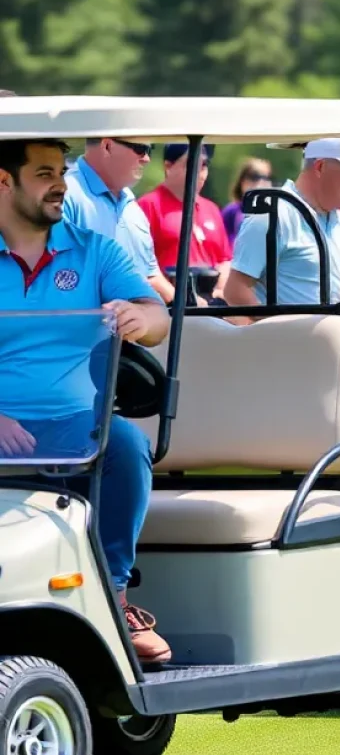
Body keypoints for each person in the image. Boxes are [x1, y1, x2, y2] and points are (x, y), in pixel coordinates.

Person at [0, 138, 171, 662]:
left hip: (75, 427)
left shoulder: (95, 250)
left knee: (123, 444)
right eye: (44, 173)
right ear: (4, 182)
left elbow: (156, 316)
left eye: (63, 172)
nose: (61, 185)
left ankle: (115, 592)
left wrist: (145, 319)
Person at [224, 137, 340, 321]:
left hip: (336, 343)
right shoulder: (274, 214)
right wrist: (286, 335)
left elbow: (333, 295)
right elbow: (235, 291)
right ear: (320, 167)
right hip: (293, 346)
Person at [61, 137, 175, 305]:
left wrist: (186, 303)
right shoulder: (64, 195)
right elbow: (57, 279)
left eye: (150, 151)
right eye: (140, 148)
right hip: (89, 327)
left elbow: (149, 275)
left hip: (138, 326)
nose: (146, 159)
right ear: (107, 146)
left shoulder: (131, 204)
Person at [137, 144, 232, 303]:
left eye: (204, 165)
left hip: (212, 304)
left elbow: (225, 259)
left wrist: (220, 290)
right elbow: (141, 267)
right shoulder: (147, 206)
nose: (200, 172)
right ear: (168, 166)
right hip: (169, 306)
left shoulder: (212, 209)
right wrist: (181, 299)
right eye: (191, 164)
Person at [221, 157, 273, 247]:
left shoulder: (276, 213)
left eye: (266, 177)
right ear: (242, 181)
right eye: (254, 177)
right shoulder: (231, 212)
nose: (260, 182)